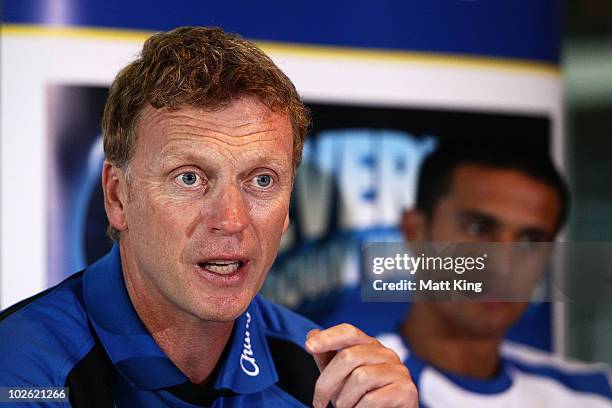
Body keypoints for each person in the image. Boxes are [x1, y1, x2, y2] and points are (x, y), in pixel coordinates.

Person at [0, 27, 417, 408]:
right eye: (189, 177)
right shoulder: (22, 367)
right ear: (118, 196)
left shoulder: (323, 377)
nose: (232, 219)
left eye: (262, 180)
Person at [377, 139, 612, 407]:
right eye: (478, 229)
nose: (503, 266)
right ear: (415, 232)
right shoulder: (347, 387)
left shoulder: (594, 394)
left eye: (530, 241)